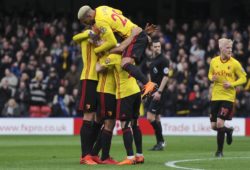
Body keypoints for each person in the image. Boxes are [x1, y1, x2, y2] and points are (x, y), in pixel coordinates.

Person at [77, 5, 157, 98]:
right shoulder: (102, 8)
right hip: (136, 33)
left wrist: (97, 50)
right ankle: (148, 86)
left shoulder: (100, 21)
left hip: (135, 37)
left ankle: (148, 84)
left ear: (89, 16)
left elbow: (112, 42)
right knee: (129, 63)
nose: (87, 24)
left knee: (125, 63)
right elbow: (119, 12)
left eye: (85, 22)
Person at [98, 53, 144, 165]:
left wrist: (100, 57)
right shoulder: (130, 56)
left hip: (125, 93)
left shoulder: (113, 56)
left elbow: (98, 68)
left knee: (125, 125)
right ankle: (139, 156)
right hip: (136, 90)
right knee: (135, 123)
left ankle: (130, 157)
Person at [208, 38, 247, 157]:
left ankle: (219, 151)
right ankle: (228, 131)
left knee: (219, 124)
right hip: (215, 96)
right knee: (214, 126)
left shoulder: (235, 63)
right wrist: (211, 78)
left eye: (231, 48)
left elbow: (244, 78)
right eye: (227, 47)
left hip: (228, 97)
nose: (230, 50)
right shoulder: (214, 61)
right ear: (221, 48)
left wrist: (232, 84)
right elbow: (210, 74)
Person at [73, 29, 101, 165]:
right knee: (88, 115)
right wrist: (89, 34)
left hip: (100, 81)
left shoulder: (102, 37)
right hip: (89, 78)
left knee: (99, 117)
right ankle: (85, 156)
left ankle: (92, 153)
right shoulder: (88, 34)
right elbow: (75, 37)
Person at [142, 40, 169, 150]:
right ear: (152, 48)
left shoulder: (164, 60)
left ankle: (161, 141)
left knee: (150, 117)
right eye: (155, 46)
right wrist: (148, 90)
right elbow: (150, 75)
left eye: (158, 46)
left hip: (159, 92)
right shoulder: (152, 60)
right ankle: (160, 143)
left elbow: (166, 77)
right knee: (157, 118)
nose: (157, 48)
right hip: (152, 91)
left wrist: (159, 92)